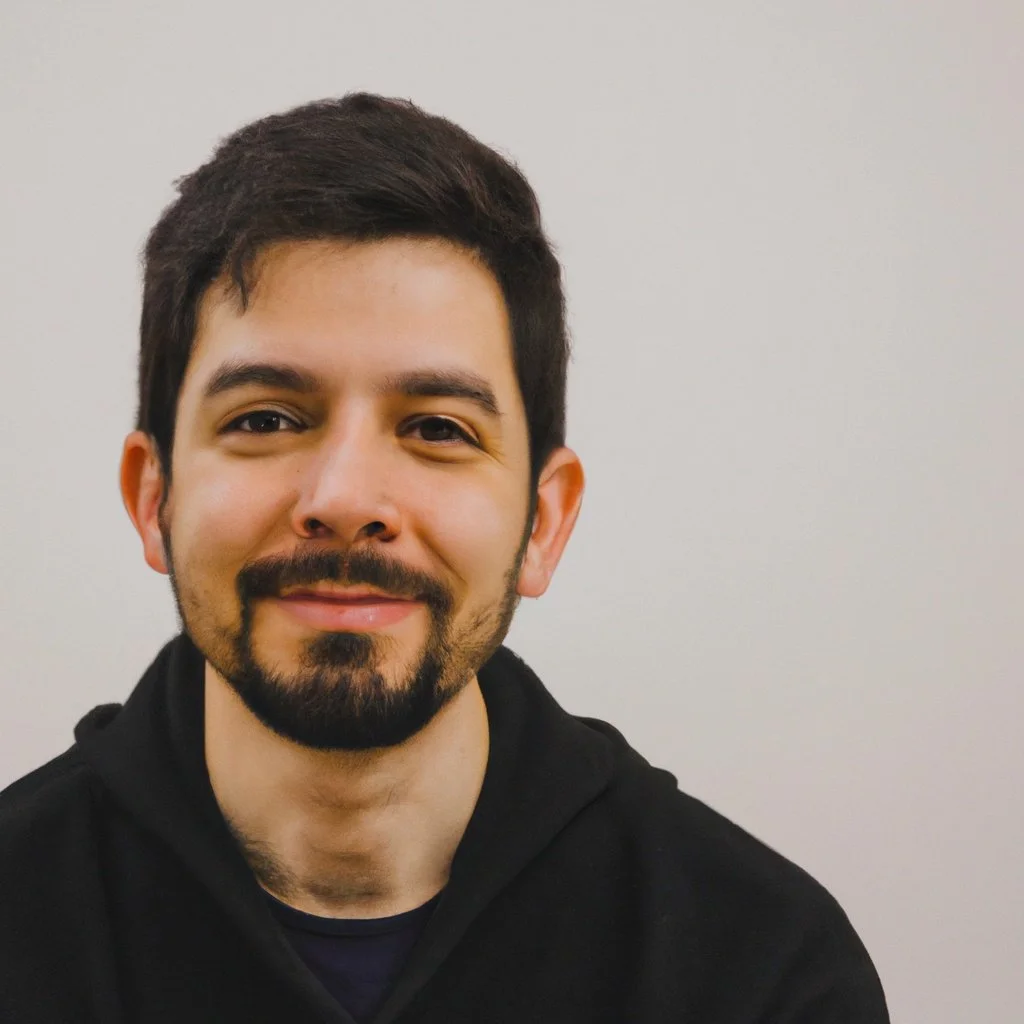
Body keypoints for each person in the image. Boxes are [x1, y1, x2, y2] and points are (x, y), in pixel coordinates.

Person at [0, 93, 889, 1024]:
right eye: (265, 419)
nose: (344, 499)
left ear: (543, 523)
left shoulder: (760, 969)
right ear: (155, 497)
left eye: (436, 428)